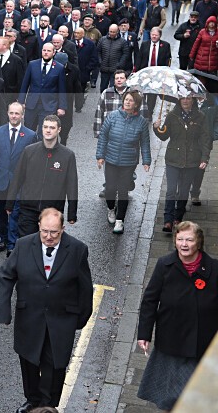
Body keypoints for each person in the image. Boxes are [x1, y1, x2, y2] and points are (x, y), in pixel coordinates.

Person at [0, 208, 93, 413]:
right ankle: (32, 399)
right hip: (30, 316)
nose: (49, 237)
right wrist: (3, 312)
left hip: (61, 320)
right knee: (29, 360)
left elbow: (85, 288)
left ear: (63, 229)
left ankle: (48, 405)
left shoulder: (77, 249)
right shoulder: (23, 245)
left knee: (54, 365)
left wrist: (80, 318)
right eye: (45, 232)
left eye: (54, 233)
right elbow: (6, 275)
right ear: (39, 226)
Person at [136, 221, 218, 410]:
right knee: (171, 395)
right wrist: (144, 334)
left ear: (199, 242)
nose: (184, 244)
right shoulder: (164, 264)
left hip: (202, 343)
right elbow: (150, 301)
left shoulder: (214, 268)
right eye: (180, 239)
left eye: (189, 239)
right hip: (171, 341)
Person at [6, 115, 78, 237]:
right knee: (27, 245)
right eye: (45, 127)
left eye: (52, 127)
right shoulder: (29, 151)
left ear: (59, 129)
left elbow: (72, 185)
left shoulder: (67, 156)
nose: (48, 130)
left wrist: (72, 213)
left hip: (52, 212)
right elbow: (17, 178)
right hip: (28, 210)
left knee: (48, 247)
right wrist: (9, 203)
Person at [0, 102, 38, 256]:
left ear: (22, 115)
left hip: (19, 182)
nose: (14, 116)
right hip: (0, 180)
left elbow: (33, 161)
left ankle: (12, 243)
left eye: (17, 113)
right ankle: (3, 238)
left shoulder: (30, 135)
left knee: (15, 212)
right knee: (1, 212)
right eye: (11, 113)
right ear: (7, 113)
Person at [96, 91, 151, 234]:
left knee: (123, 191)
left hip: (128, 162)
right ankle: (110, 209)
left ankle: (120, 220)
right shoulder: (112, 116)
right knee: (110, 188)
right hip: (111, 159)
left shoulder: (142, 122)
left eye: (131, 100)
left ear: (136, 104)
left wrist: (146, 160)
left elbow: (145, 143)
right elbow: (103, 137)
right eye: (126, 99)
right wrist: (100, 156)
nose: (127, 102)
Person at [153, 96, 211, 232]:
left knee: (183, 191)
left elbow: (205, 139)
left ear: (193, 100)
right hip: (173, 158)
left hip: (192, 159)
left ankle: (178, 217)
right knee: (171, 191)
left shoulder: (201, 116)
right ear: (179, 101)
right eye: (183, 98)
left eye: (188, 98)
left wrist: (204, 158)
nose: (185, 101)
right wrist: (157, 128)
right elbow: (164, 135)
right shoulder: (172, 115)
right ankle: (168, 220)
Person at [18, 43, 67, 131]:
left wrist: (62, 107)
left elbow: (62, 89)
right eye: (44, 50)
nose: (46, 52)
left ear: (54, 53)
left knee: (44, 131)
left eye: (48, 51)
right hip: (32, 104)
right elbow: (25, 84)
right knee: (28, 129)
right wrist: (21, 101)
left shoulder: (59, 68)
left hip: (49, 105)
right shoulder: (32, 65)